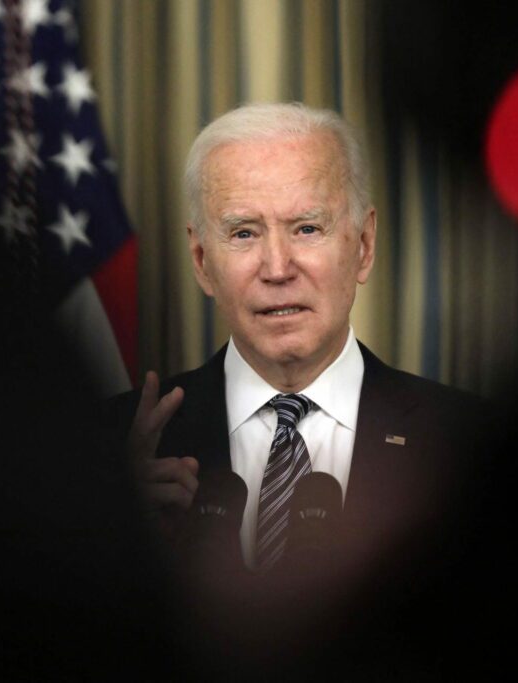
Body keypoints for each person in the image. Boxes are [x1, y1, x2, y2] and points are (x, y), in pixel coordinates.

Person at [113, 102, 489, 577]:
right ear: (202, 261)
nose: (277, 268)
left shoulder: (473, 447)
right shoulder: (110, 453)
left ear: (364, 246)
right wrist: (114, 545)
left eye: (307, 229)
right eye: (244, 233)